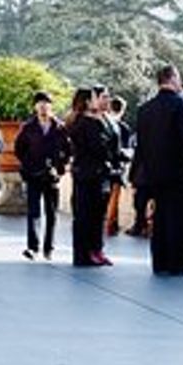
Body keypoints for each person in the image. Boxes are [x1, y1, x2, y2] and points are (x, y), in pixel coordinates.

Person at [135, 67, 183, 277]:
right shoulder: (181, 106)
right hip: (180, 174)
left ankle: (160, 261)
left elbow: (141, 144)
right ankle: (177, 262)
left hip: (153, 174)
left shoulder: (145, 109)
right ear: (173, 78)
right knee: (178, 219)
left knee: (160, 219)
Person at [13, 91, 69, 261]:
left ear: (51, 106)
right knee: (33, 212)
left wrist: (60, 167)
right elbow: (19, 149)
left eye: (46, 103)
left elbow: (67, 151)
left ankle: (49, 247)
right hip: (33, 174)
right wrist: (29, 163)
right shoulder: (28, 128)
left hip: (52, 176)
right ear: (35, 107)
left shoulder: (59, 128)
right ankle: (33, 247)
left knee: (51, 213)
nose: (43, 107)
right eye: (40, 103)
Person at [67, 87, 118, 268]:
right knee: (91, 216)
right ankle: (89, 253)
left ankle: (90, 252)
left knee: (89, 216)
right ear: (88, 101)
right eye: (98, 97)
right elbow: (100, 149)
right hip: (92, 175)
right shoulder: (89, 123)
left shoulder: (78, 122)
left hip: (86, 174)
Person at [105, 95, 134, 238]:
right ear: (122, 110)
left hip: (104, 166)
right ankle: (110, 224)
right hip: (117, 167)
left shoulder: (104, 123)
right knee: (114, 197)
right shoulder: (124, 128)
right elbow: (127, 149)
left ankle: (107, 223)